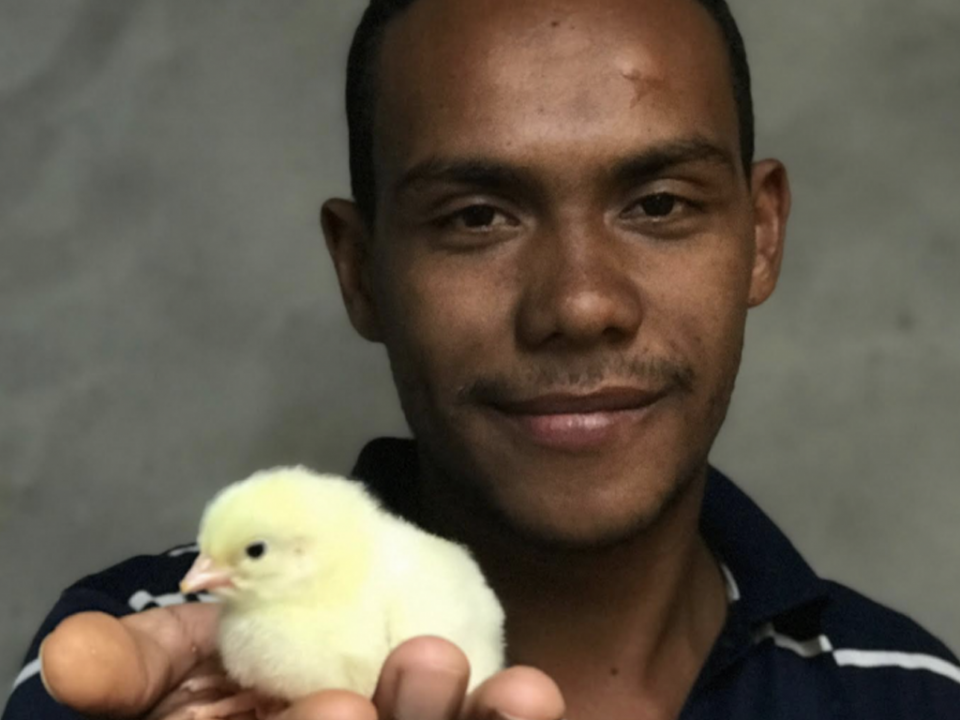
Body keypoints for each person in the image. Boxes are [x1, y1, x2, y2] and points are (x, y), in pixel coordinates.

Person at [4, 0, 959, 718]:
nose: (581, 304)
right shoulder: (138, 666)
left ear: (760, 235)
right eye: (477, 217)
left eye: (659, 203)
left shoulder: (917, 697)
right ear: (362, 270)